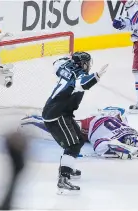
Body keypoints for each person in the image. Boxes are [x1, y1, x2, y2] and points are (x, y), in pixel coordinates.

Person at [41, 52, 108, 194]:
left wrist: (69, 58)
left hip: (61, 112)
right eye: (87, 63)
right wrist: (96, 77)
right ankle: (63, 178)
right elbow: (83, 84)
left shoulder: (65, 66)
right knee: (73, 144)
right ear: (82, 64)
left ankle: (67, 166)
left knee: (79, 139)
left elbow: (56, 63)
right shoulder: (78, 77)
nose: (88, 65)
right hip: (57, 115)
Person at [20, 107, 138, 159]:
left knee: (61, 124)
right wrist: (116, 149)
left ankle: (36, 117)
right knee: (60, 129)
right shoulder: (112, 137)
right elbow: (99, 146)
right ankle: (33, 120)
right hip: (89, 126)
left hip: (102, 119)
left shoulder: (134, 133)